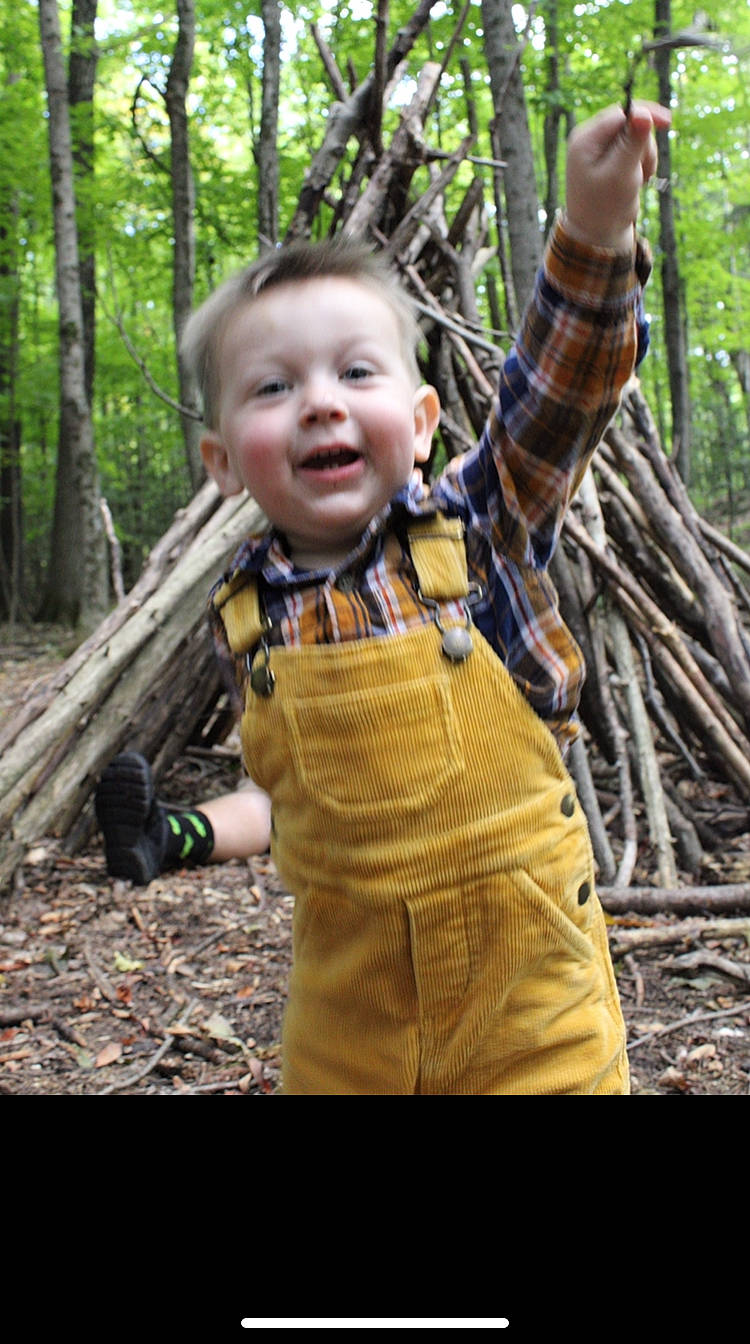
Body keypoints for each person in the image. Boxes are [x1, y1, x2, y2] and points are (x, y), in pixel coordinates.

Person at [96, 99, 671, 1095]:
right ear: (223, 460)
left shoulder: (476, 525)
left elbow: (564, 387)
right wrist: (178, 835)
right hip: (351, 1031)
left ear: (419, 417)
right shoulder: (251, 621)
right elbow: (295, 801)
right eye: (273, 387)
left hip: (532, 1012)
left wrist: (596, 225)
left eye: (354, 372)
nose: (319, 398)